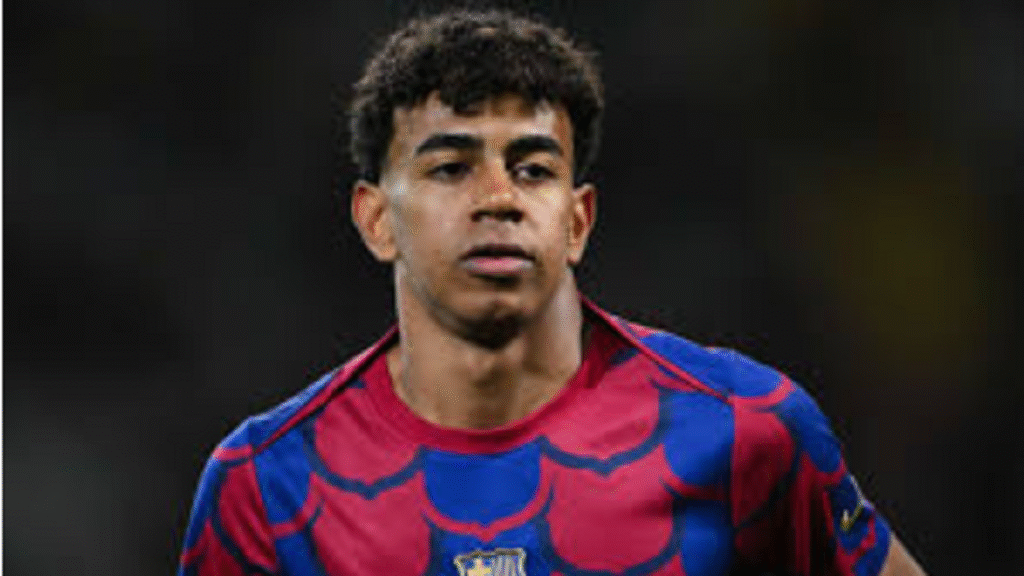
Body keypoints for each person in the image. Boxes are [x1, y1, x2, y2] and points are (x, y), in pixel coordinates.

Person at [177, 9, 927, 576]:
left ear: (577, 221)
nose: (498, 199)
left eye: (533, 169)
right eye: (451, 168)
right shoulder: (268, 487)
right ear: (377, 220)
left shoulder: (745, 432)